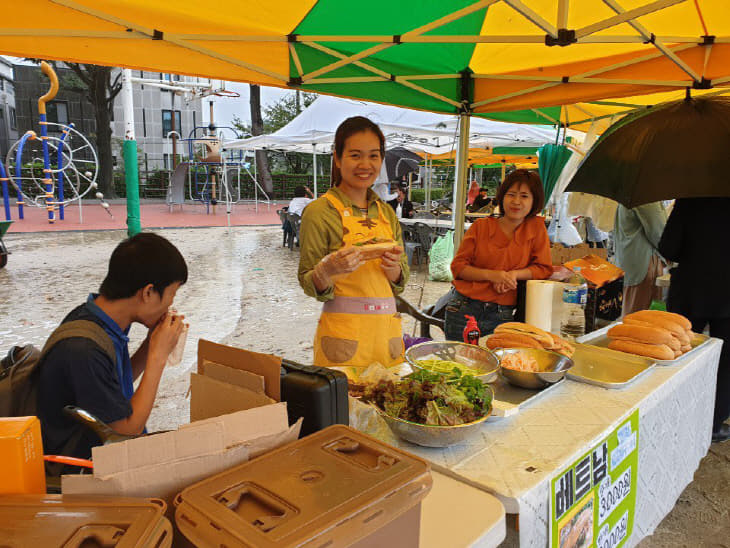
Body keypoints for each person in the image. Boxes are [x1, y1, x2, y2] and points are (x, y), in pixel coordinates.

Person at [37, 233, 188, 463]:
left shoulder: (100, 318)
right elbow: (125, 433)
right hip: (82, 468)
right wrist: (158, 357)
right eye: (172, 294)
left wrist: (151, 343)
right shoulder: (83, 349)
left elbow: (116, 380)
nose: (171, 304)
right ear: (148, 292)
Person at [298, 116, 409, 372]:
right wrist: (327, 270)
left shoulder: (387, 212)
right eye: (355, 155)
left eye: (373, 156)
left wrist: (393, 269)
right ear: (337, 158)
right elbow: (307, 281)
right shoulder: (319, 212)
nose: (365, 165)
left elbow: (400, 282)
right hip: (343, 340)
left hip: (387, 337)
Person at [444, 170, 552, 340]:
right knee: (459, 363)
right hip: (464, 309)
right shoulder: (481, 226)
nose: (516, 201)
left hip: (503, 314)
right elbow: (458, 268)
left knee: (498, 364)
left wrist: (512, 276)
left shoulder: (536, 229)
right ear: (502, 196)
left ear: (534, 201)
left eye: (524, 196)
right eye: (511, 195)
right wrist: (494, 276)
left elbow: (543, 268)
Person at [659, 198, 730, 443]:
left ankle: (671, 418)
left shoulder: (692, 197)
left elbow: (668, 247)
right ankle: (713, 425)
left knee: (679, 356)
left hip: (691, 291)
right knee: (727, 363)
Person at [613, 203, 667, 316]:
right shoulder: (647, 197)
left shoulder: (632, 195)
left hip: (631, 261)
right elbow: (660, 233)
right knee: (639, 318)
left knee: (632, 312)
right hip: (643, 264)